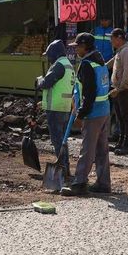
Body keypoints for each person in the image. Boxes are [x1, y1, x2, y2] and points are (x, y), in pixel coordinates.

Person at [61, 33, 112, 196]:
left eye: (78, 46)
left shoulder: (88, 64)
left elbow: (89, 94)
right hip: (104, 110)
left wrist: (81, 114)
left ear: (85, 46)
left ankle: (79, 183)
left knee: (87, 150)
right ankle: (104, 183)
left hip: (93, 112)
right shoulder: (100, 60)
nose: (76, 50)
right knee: (101, 149)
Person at [35, 37, 76, 180]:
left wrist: (40, 81)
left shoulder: (59, 65)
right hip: (65, 107)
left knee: (58, 140)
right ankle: (65, 167)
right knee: (62, 140)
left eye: (49, 56)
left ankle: (63, 170)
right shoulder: (69, 65)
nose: (48, 59)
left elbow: (47, 83)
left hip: (56, 108)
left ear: (54, 53)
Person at [108, 28, 128, 155]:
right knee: (120, 118)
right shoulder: (120, 51)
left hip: (125, 90)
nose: (111, 41)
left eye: (112, 38)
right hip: (119, 89)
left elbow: (127, 73)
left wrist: (118, 89)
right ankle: (121, 142)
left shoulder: (127, 51)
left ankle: (127, 145)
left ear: (119, 38)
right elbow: (109, 64)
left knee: (126, 118)